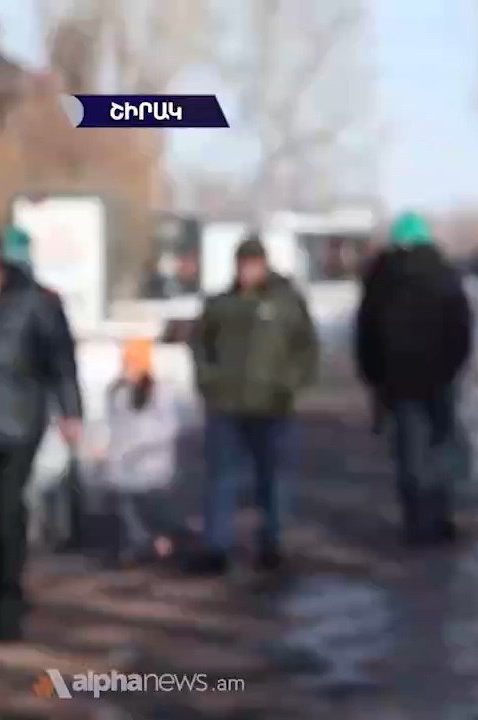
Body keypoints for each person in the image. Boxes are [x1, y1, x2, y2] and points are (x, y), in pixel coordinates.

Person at [189, 236, 318, 574]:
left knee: (273, 478)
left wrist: (290, 384)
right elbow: (200, 345)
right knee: (222, 478)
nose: (247, 272)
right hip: (226, 404)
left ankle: (272, 543)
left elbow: (306, 348)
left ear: (264, 265)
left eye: (253, 265)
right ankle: (217, 546)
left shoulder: (286, 303)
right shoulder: (221, 305)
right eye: (242, 265)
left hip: (273, 404)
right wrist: (208, 381)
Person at [355, 211, 473, 545]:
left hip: (398, 382)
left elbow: (366, 332)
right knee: (442, 448)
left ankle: (416, 521)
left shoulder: (381, 277)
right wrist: (453, 367)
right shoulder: (443, 273)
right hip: (440, 378)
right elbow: (461, 327)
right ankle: (441, 516)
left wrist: (373, 376)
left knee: (410, 452)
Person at [0, 228, 82, 641]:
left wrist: (71, 412)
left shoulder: (36, 301)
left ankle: (6, 607)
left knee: (5, 511)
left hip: (16, 423)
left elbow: (61, 361)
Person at [92, 338, 180, 566]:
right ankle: (138, 546)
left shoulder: (161, 391)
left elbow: (168, 428)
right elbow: (113, 426)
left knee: (155, 508)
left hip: (152, 460)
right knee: (125, 505)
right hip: (123, 462)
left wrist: (139, 447)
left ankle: (159, 543)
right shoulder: (117, 392)